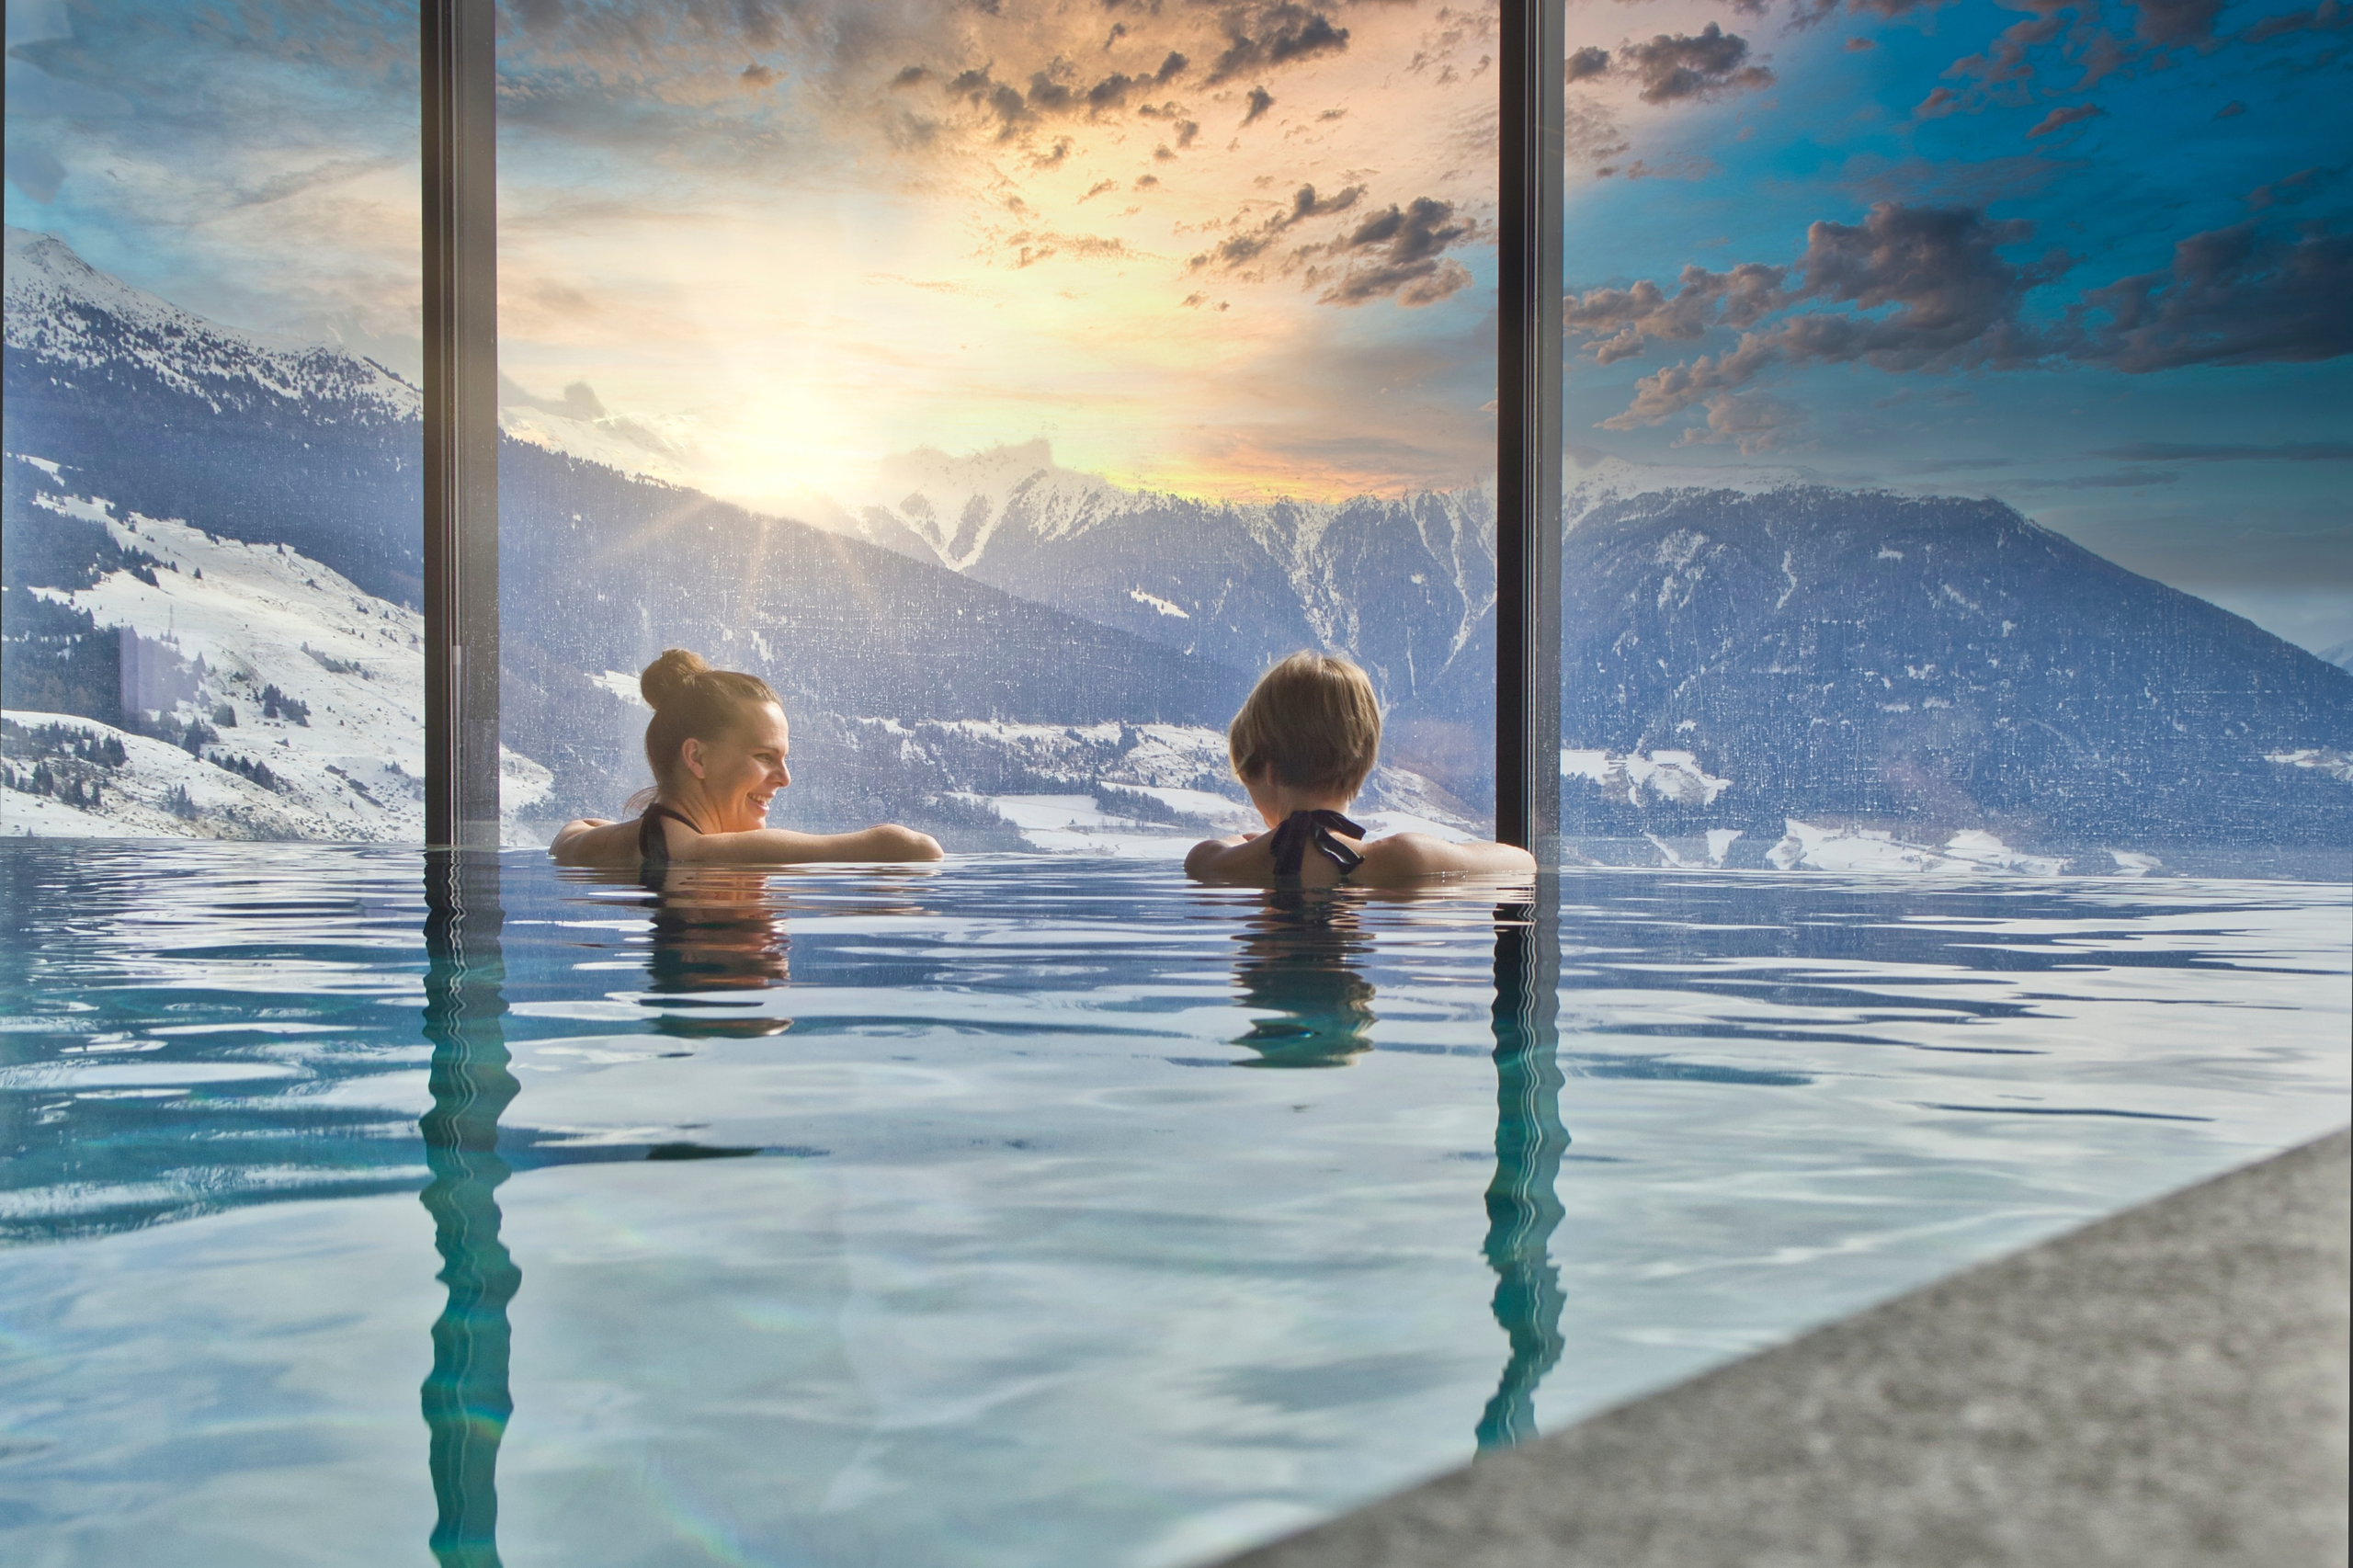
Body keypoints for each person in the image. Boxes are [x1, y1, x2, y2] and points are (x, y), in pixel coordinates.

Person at [550, 649, 943, 868]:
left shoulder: (606, 847)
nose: (785, 778)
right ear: (697, 757)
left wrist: (624, 828)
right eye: (764, 757)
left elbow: (573, 829)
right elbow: (915, 848)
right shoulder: (714, 856)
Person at [1185, 651, 1536, 887]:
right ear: (1362, 764)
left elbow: (1205, 853)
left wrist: (1255, 842)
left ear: (1271, 772)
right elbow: (1522, 862)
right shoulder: (1402, 859)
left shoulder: (1226, 864)